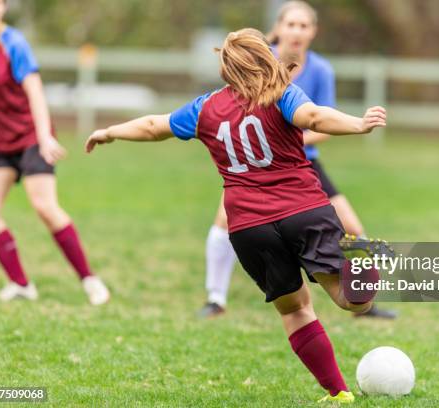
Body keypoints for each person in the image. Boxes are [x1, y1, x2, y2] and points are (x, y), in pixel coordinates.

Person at [86, 28, 387, 403]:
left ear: (227, 67)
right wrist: (358, 124)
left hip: (248, 227)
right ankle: (367, 266)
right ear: (264, 56)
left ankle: (338, 393)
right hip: (303, 210)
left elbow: (152, 126)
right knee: (354, 300)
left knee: (295, 310)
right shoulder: (281, 94)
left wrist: (109, 131)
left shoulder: (205, 108)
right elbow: (314, 117)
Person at [199, 0, 396, 320]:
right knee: (223, 220)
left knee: (353, 227)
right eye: (291, 24)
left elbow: (321, 123)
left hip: (303, 165)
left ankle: (360, 301)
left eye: (304, 26)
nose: (296, 31)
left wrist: (287, 140)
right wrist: (269, 142)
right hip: (254, 167)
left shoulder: (320, 70)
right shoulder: (258, 61)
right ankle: (215, 299)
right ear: (278, 28)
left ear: (313, 32)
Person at [0, 0, 109, 305]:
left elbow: (35, 91)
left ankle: (90, 280)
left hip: (31, 137)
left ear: (4, 8)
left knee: (45, 208)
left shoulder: (13, 43)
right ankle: (21, 284)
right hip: (1, 143)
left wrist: (43, 137)